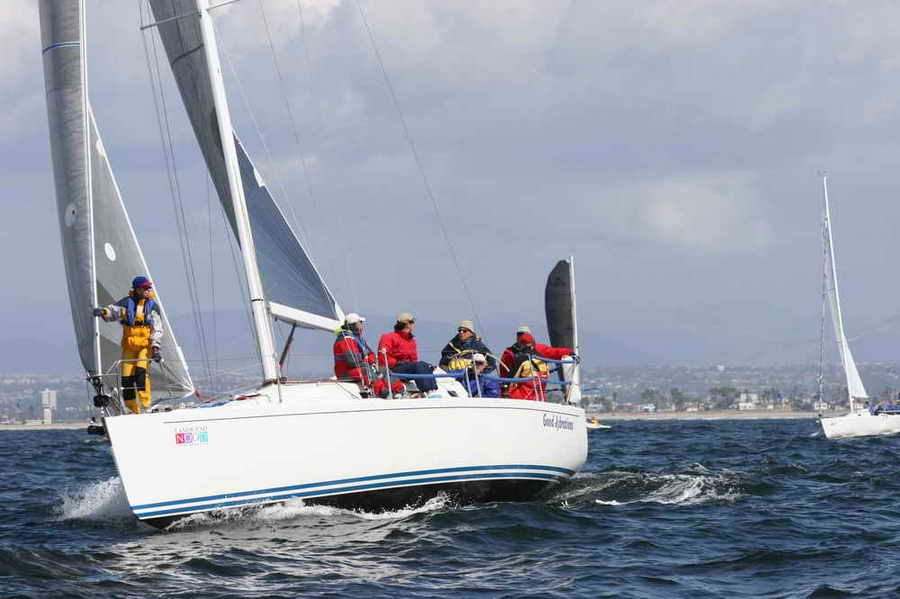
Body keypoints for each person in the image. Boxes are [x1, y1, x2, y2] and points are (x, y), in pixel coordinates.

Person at [92, 276, 163, 414]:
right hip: (129, 346)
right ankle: (133, 409)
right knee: (126, 378)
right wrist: (103, 312)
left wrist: (155, 348)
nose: (148, 290)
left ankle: (146, 405)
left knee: (141, 374)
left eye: (149, 288)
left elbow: (158, 329)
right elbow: (113, 311)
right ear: (137, 289)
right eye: (145, 288)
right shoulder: (126, 303)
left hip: (145, 347)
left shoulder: (152, 307)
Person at [333, 312, 402, 398]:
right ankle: (382, 393)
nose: (362, 326)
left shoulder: (358, 338)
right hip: (345, 372)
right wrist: (368, 364)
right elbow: (352, 361)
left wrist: (373, 363)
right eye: (360, 323)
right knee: (367, 371)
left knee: (383, 370)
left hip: (359, 368)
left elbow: (370, 353)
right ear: (353, 325)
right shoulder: (345, 340)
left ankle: (399, 390)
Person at [501, 332, 576, 401]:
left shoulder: (521, 359)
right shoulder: (543, 359)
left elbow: (510, 379)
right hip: (540, 398)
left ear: (521, 344)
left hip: (523, 396)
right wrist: (570, 352)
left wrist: (504, 390)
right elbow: (555, 352)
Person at [377, 312, 438, 394]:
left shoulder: (411, 341)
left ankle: (433, 390)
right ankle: (428, 390)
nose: (414, 324)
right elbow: (382, 357)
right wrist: (397, 363)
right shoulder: (388, 337)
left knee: (425, 365)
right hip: (394, 368)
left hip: (406, 368)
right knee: (419, 365)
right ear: (407, 324)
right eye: (412, 322)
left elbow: (414, 360)